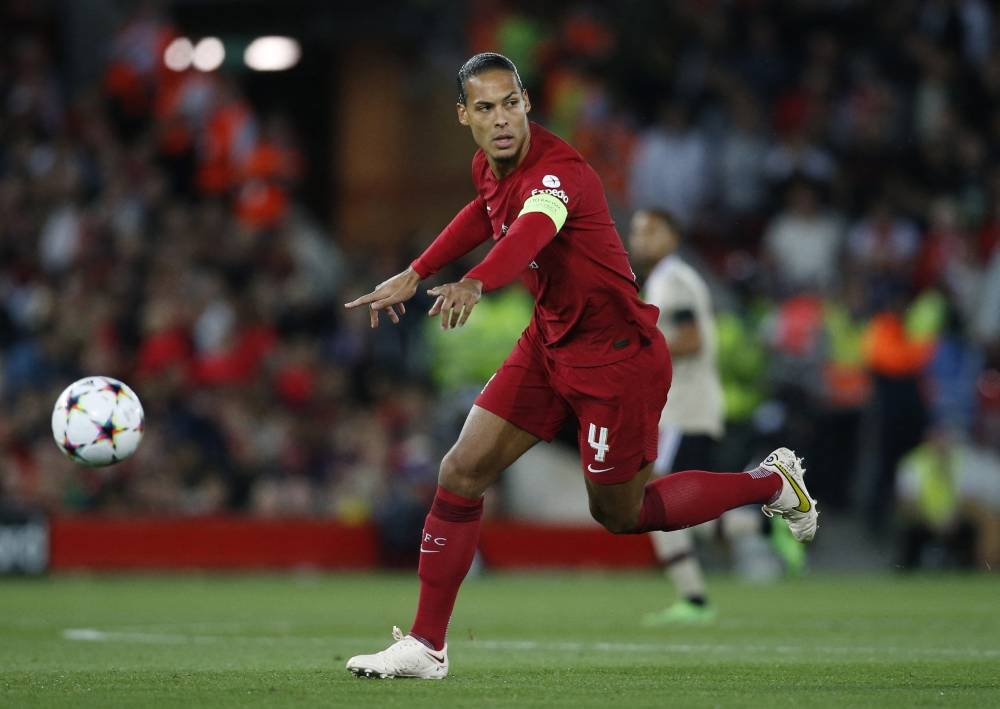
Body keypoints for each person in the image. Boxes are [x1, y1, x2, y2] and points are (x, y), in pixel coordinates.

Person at [343, 52, 818, 680]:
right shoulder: (487, 164)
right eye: (485, 108)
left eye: (511, 102)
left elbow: (529, 232)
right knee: (460, 471)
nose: (502, 118)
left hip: (616, 360)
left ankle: (771, 484)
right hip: (549, 343)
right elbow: (482, 213)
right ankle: (428, 646)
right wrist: (417, 270)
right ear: (464, 116)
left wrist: (477, 281)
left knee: (620, 513)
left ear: (527, 103)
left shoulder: (559, 174)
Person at [627, 209, 724, 625]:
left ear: (675, 236)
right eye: (637, 231)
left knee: (659, 501)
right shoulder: (663, 281)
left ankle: (761, 520)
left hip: (684, 407)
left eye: (653, 230)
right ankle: (694, 597)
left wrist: (636, 355)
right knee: (672, 505)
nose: (642, 238)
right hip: (678, 408)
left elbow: (691, 339)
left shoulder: (676, 280)